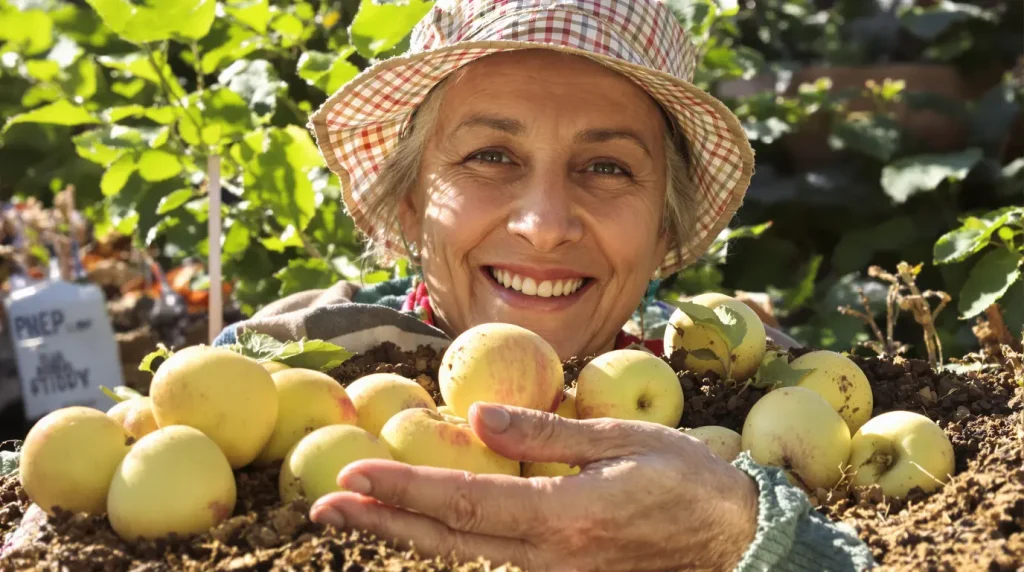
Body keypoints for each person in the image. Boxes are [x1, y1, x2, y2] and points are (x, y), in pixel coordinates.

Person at [212, 1, 875, 570]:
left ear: (664, 228)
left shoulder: (761, 388)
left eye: (608, 167)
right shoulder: (289, 367)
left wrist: (732, 535)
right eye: (491, 156)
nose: (545, 226)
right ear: (411, 199)